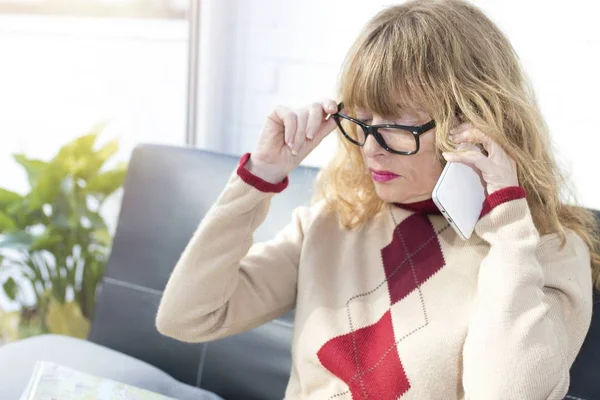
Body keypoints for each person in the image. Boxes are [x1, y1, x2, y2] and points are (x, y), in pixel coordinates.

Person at [156, 0, 599, 399]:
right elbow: (186, 316)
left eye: (399, 126)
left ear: (473, 124)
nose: (370, 148)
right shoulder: (334, 222)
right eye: (362, 121)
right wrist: (260, 176)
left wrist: (505, 222)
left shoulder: (542, 251)